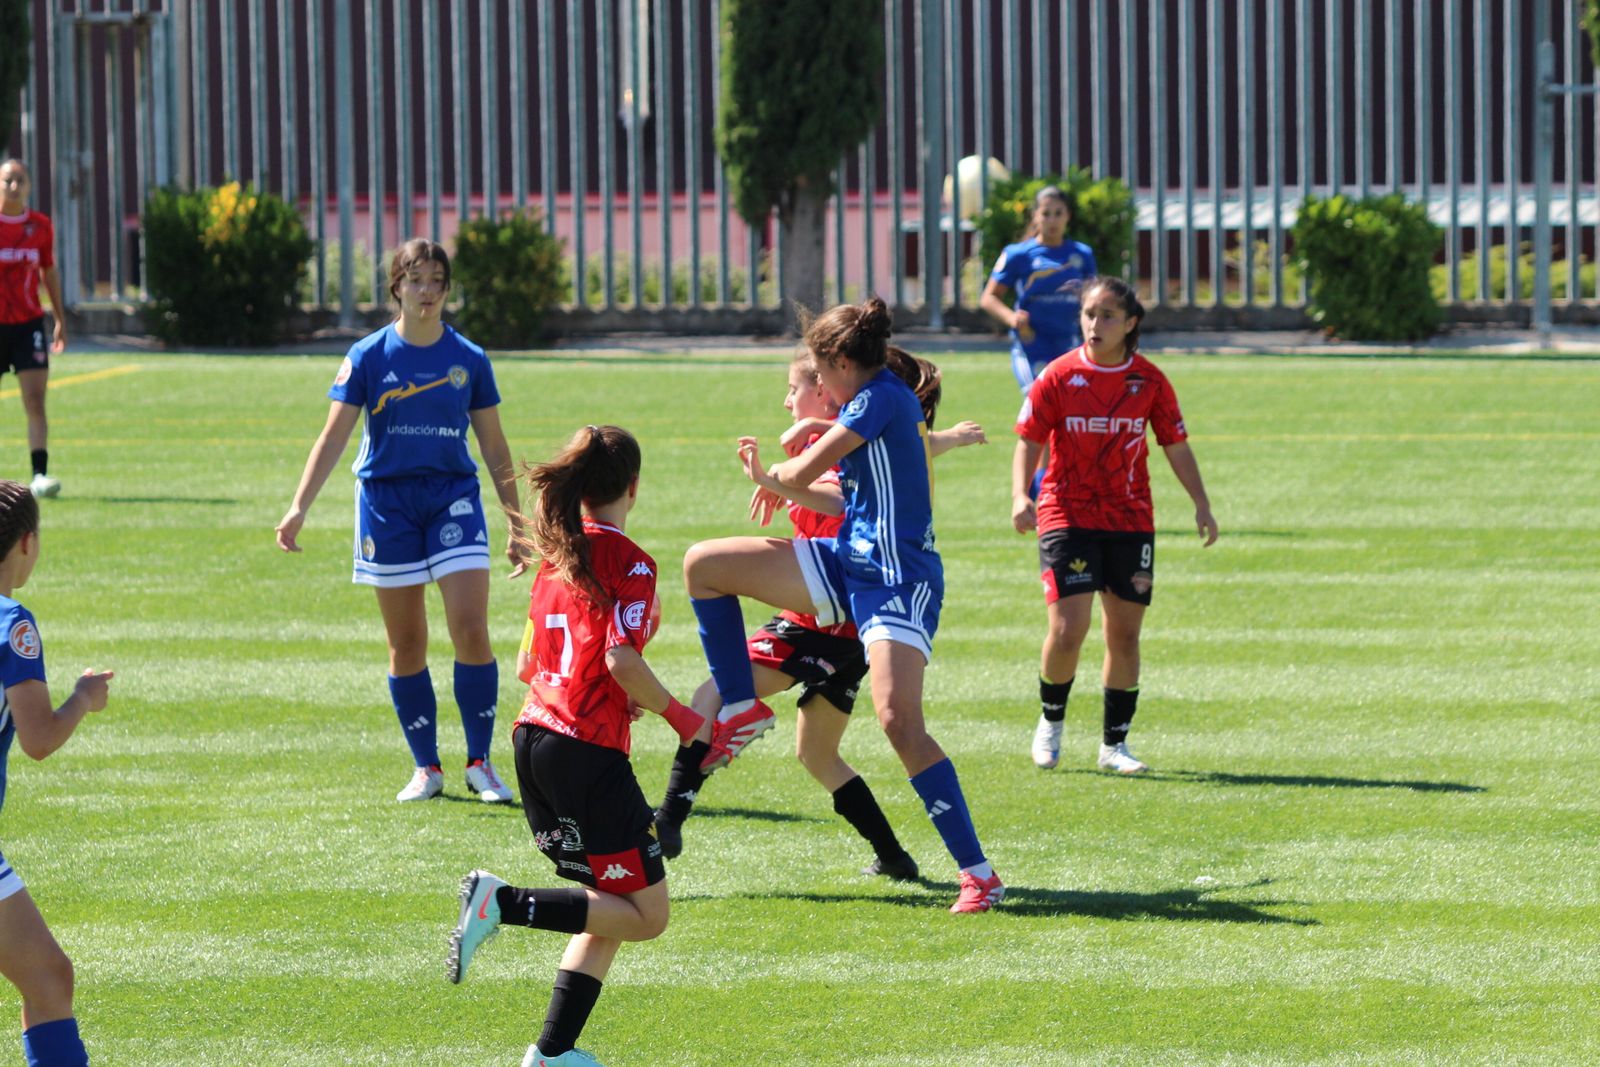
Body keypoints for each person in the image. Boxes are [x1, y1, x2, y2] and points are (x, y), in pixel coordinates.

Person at [681, 296, 1005, 914]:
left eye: (818, 369)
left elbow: (803, 473)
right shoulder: (872, 399)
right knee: (705, 564)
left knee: (897, 722)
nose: (816, 383)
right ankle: (742, 709)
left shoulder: (879, 398)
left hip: (895, 580)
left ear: (839, 361)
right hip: (848, 567)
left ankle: (979, 875)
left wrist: (774, 467)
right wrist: (791, 458)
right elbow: (830, 481)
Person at [446, 425, 705, 1067]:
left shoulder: (555, 558)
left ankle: (553, 1053)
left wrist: (613, 699)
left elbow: (528, 667)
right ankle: (501, 903)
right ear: (633, 488)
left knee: (612, 908)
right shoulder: (632, 562)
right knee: (648, 916)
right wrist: (680, 718)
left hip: (533, 739)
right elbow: (619, 657)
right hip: (583, 752)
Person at [275, 238, 521, 804]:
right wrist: (298, 506)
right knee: (407, 643)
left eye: (437, 280)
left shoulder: (470, 358)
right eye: (416, 280)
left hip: (453, 498)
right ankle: (426, 768)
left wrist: (516, 521)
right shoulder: (368, 356)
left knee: (471, 627)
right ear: (396, 287)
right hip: (386, 504)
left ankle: (480, 763)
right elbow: (334, 434)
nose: (427, 291)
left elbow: (495, 446)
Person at [1011, 275, 1218, 774]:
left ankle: (1114, 746)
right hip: (1067, 513)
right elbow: (1029, 439)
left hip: (1129, 518)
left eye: (1107, 315)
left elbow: (1175, 444)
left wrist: (1201, 503)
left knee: (1124, 635)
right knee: (1068, 628)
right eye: (1088, 314)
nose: (1095, 324)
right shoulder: (1058, 376)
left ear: (1130, 324)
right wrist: (1021, 494)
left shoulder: (1148, 381)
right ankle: (1051, 723)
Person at [0, 479, 114, 1067]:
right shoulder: (11, 622)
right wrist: (82, 699)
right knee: (48, 982)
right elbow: (38, 738)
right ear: (26, 543)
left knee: (48, 978)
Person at [980, 184, 1097, 392]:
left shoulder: (1082, 254)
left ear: (1068, 216)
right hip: (1032, 344)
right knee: (1038, 401)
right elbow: (989, 298)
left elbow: (1093, 299)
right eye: (1046, 213)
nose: (1052, 220)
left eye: (1058, 213)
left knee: (1071, 407)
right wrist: (1011, 318)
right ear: (1035, 216)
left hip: (1069, 343)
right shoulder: (1018, 254)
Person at [0, 161, 68, 499]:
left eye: (20, 180)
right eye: (7, 180)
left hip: (28, 325)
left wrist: (59, 318)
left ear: (28, 186)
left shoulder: (39, 226)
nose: (14, 186)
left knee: (35, 400)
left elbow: (48, 272)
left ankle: (39, 474)